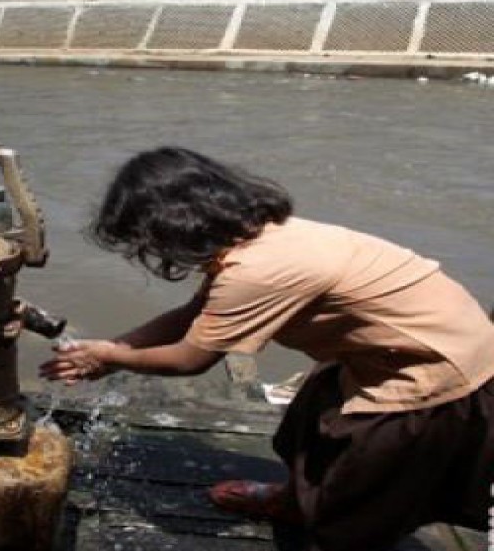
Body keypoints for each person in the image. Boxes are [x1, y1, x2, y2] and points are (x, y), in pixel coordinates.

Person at [39, 146, 494, 551]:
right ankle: (293, 501)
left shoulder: (256, 271)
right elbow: (189, 315)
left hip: (437, 371)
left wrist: (109, 358)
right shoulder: (261, 235)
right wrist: (113, 346)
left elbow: (190, 359)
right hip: (390, 351)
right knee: (307, 425)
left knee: (358, 502)